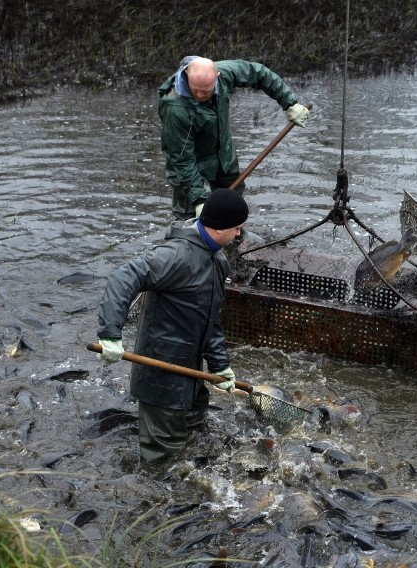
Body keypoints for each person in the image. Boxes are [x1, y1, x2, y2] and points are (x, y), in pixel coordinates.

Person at [96, 188, 249, 464]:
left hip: (191, 371)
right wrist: (110, 333)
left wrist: (219, 365)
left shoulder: (218, 260)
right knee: (163, 457)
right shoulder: (176, 256)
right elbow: (124, 277)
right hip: (161, 372)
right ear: (219, 228)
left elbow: (210, 318)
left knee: (196, 433)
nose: (239, 235)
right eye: (236, 228)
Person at [158, 56, 310, 220]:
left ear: (217, 77)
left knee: (233, 207)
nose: (200, 95)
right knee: (188, 216)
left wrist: (289, 103)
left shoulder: (225, 73)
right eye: (195, 90)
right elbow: (183, 159)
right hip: (186, 161)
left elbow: (259, 74)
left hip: (222, 152)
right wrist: (199, 200)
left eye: (206, 91)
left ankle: (234, 242)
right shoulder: (174, 108)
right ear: (187, 74)